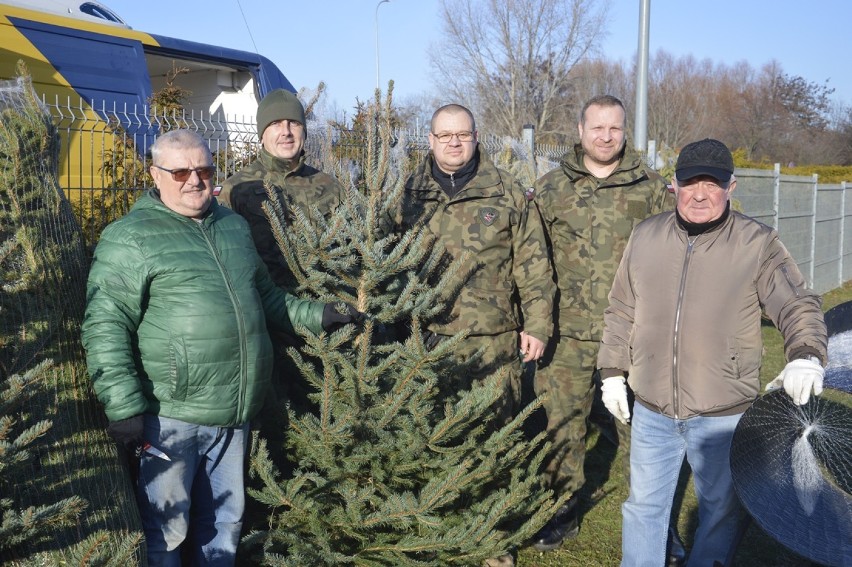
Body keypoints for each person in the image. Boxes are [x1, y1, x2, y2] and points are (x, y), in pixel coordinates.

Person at [82, 129, 361, 565]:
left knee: (224, 525)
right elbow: (105, 324)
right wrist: (123, 408)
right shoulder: (130, 237)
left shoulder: (231, 225)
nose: (194, 180)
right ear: (156, 175)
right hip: (170, 417)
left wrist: (320, 315)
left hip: (234, 412)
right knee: (167, 530)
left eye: (204, 169)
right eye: (179, 171)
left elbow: (266, 299)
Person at [597, 138, 827, 566]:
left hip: (724, 414)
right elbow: (621, 308)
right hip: (652, 410)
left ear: (731, 187)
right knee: (643, 507)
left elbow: (797, 303)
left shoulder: (757, 244)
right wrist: (611, 369)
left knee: (720, 513)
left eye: (712, 183)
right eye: (690, 182)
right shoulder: (646, 236)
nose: (700, 193)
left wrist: (806, 353)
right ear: (674, 185)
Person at [392, 104, 555, 567]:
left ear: (476, 135)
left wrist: (538, 325)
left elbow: (535, 266)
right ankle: (438, 532)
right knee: (429, 435)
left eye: (462, 134)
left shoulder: (504, 191)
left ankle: (492, 542)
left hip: (491, 340)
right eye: (444, 136)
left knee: (492, 438)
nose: (454, 143)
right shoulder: (408, 193)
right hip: (425, 340)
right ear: (430, 139)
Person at [531, 94, 672, 551]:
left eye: (614, 128)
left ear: (624, 130)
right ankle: (561, 512)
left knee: (644, 431)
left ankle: (656, 522)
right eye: (597, 127)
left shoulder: (650, 188)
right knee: (562, 424)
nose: (606, 136)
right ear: (580, 130)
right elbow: (532, 259)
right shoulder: (551, 188)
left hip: (631, 334)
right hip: (566, 332)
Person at [218, 88, 344, 289]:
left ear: (304, 131)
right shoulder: (235, 189)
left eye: (294, 123)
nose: (286, 132)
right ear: (261, 134)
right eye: (275, 123)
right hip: (266, 307)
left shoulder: (330, 186)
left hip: (324, 307)